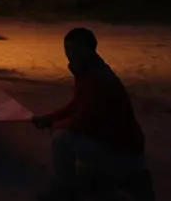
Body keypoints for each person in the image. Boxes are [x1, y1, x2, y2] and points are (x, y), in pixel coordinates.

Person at [32, 28, 155, 201]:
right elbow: (76, 106)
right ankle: (113, 178)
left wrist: (51, 124)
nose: (70, 55)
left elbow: (82, 120)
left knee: (61, 138)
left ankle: (67, 190)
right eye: (67, 49)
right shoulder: (91, 70)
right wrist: (49, 118)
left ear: (89, 50)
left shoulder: (97, 79)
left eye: (75, 50)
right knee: (88, 175)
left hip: (122, 152)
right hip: (121, 146)